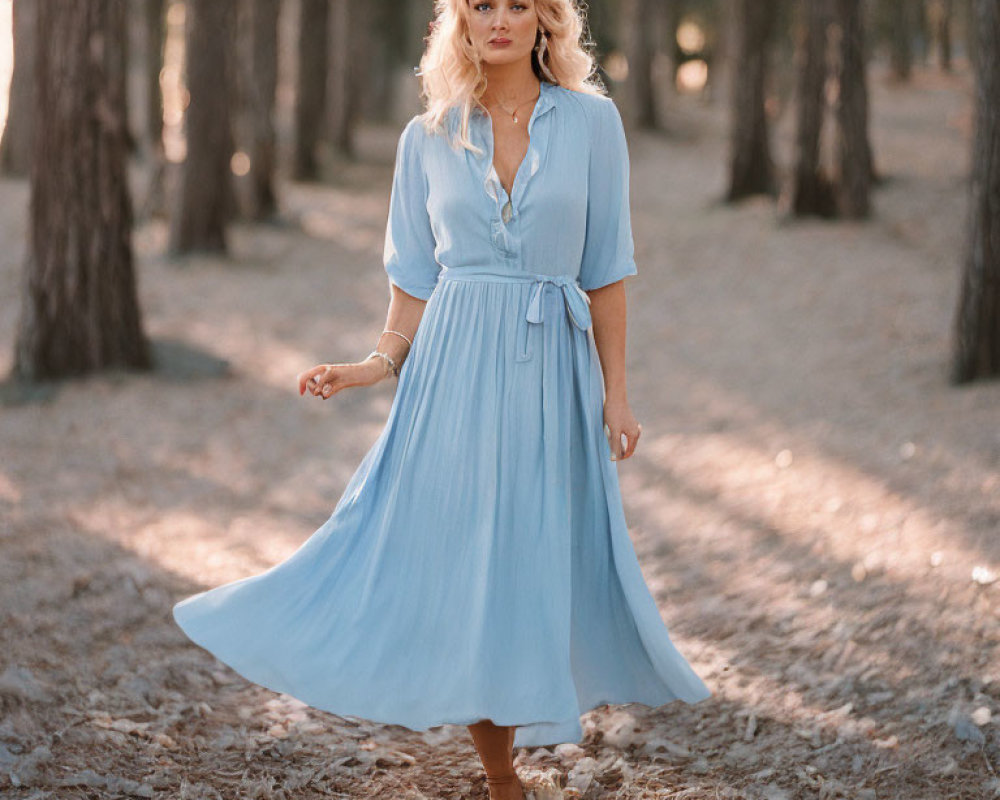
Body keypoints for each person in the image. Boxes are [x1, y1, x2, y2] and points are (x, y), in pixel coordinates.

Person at [172, 1, 712, 798]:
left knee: (531, 557)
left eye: (517, 4)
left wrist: (617, 395)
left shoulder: (595, 125)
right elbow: (414, 284)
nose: (500, 20)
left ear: (546, 21)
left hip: (550, 374)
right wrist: (370, 364)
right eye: (481, 5)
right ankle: (500, 777)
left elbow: (607, 269)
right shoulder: (426, 138)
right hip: (450, 377)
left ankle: (527, 728)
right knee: (464, 563)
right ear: (458, 23)